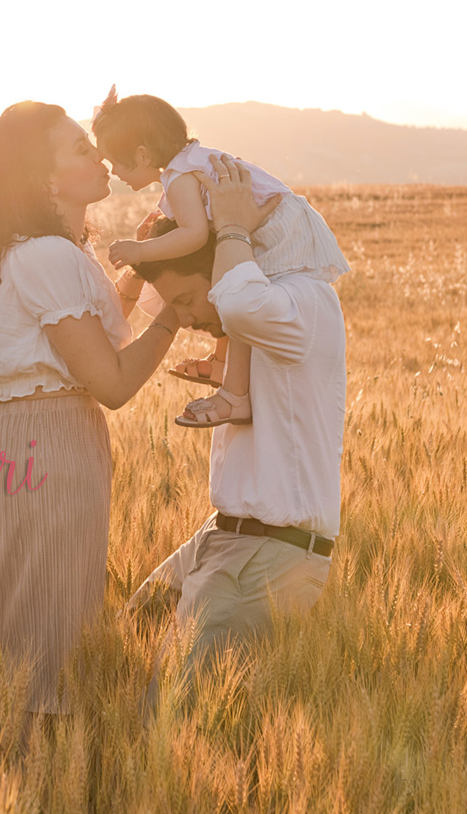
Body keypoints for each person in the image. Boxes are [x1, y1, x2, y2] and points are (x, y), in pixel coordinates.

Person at [0, 100, 181, 717]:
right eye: (79, 148)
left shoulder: (37, 252)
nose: (99, 155)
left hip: (24, 441)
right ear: (44, 179)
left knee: (12, 631)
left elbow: (94, 335)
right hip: (51, 447)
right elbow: (112, 381)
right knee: (46, 634)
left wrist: (149, 264)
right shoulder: (47, 257)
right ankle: (30, 780)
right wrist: (179, 311)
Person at [124, 152, 346, 714]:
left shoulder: (302, 300)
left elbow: (237, 298)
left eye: (187, 301)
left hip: (268, 549)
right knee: (132, 629)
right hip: (226, 536)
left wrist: (227, 226)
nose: (188, 318)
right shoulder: (256, 323)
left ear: (224, 269)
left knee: (170, 711)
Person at [91, 86, 350, 429]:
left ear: (141, 155)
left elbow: (194, 235)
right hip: (282, 224)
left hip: (275, 232)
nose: (114, 173)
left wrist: (141, 250)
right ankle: (223, 365)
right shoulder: (188, 165)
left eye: (115, 162)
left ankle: (234, 394)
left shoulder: (180, 177)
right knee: (232, 289)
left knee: (237, 294)